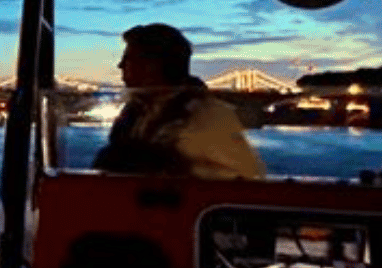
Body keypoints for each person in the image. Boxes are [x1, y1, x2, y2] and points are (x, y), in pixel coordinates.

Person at [93, 23, 265, 179]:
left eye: (128, 59)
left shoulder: (209, 116)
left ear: (152, 66)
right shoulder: (137, 112)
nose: (120, 66)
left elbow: (244, 183)